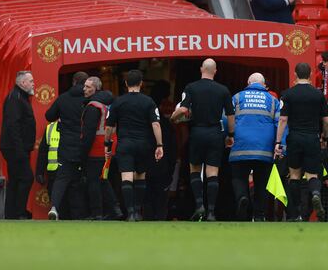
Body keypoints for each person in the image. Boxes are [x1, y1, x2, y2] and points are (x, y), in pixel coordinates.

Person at [170, 59, 234, 221]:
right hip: (215, 132)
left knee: (195, 170)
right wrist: (231, 135)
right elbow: (230, 115)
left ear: (201, 69)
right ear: (215, 71)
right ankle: (211, 211)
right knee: (213, 172)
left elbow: (183, 109)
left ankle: (199, 205)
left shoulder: (191, 88)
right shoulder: (223, 90)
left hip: (197, 132)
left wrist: (173, 117)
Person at [104, 69, 164, 221]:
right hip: (144, 144)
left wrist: (107, 143)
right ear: (141, 83)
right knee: (140, 176)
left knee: (127, 177)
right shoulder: (148, 102)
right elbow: (156, 124)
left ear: (125, 84)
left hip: (125, 144)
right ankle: (138, 211)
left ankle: (130, 212)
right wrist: (159, 145)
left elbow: (109, 127)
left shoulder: (118, 102)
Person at [275, 62, 328, 221]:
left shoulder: (287, 94)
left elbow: (283, 119)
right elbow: (327, 121)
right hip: (312, 137)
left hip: (294, 138)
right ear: (311, 74)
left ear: (295, 74)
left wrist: (278, 142)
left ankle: (296, 212)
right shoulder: (318, 95)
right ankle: (315, 193)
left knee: (294, 175)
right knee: (312, 174)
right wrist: (324, 137)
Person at [229, 72, 280, 221]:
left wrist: (228, 136)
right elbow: (280, 123)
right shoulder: (273, 100)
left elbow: (227, 119)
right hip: (264, 149)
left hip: (240, 146)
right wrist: (280, 144)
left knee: (238, 177)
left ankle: (242, 197)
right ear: (263, 84)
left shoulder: (237, 97)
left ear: (248, 82)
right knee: (261, 182)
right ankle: (259, 215)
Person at [45, 73, 88, 221]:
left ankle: (54, 207)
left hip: (66, 144)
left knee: (62, 178)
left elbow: (49, 116)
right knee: (84, 179)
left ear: (73, 81)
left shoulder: (63, 98)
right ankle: (87, 213)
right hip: (85, 145)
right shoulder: (89, 99)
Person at [80, 76, 122, 220]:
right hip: (109, 145)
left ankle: (97, 213)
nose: (84, 89)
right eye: (84, 86)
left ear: (96, 89)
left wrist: (83, 153)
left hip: (96, 148)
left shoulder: (93, 106)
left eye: (88, 87)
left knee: (93, 180)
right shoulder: (108, 104)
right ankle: (115, 209)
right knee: (103, 179)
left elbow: (88, 133)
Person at [0, 70, 36, 220]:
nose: (34, 83)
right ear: (22, 83)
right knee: (26, 178)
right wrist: (20, 149)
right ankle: (19, 212)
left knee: (15, 180)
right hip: (15, 148)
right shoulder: (15, 98)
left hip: (17, 147)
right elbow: (12, 125)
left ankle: (12, 213)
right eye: (31, 81)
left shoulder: (19, 97)